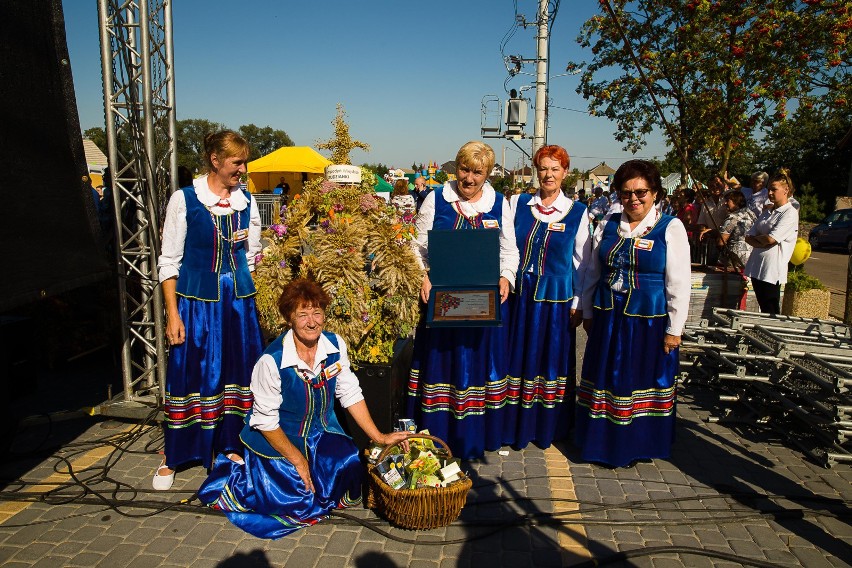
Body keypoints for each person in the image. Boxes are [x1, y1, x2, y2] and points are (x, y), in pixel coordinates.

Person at [198, 279, 408, 539]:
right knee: (298, 496)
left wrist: (379, 436)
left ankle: (314, 475)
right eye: (302, 314)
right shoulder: (271, 361)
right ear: (289, 318)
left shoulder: (334, 345)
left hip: (321, 431)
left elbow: (350, 392)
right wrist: (298, 460)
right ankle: (237, 468)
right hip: (280, 438)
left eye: (317, 313)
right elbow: (266, 422)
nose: (312, 322)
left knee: (350, 463)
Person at [154, 130, 263, 490]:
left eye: (244, 161)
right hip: (197, 304)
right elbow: (169, 262)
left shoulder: (246, 200)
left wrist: (249, 282)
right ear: (215, 160)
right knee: (191, 372)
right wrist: (173, 314)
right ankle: (177, 454)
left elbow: (251, 254)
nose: (243, 170)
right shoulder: (184, 200)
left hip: (237, 305)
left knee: (237, 372)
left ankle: (230, 442)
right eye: (237, 162)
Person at [407, 141, 520, 459]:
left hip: (484, 302)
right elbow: (417, 247)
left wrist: (506, 277)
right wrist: (423, 275)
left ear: (487, 174)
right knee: (443, 365)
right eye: (465, 170)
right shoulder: (435, 199)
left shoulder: (500, 203)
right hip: (443, 300)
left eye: (478, 172)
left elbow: (509, 250)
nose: (469, 178)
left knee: (478, 368)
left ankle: (475, 437)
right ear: (456, 167)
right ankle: (438, 434)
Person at [576, 160, 691, 468]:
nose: (634, 199)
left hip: (648, 322)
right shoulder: (609, 223)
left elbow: (678, 281)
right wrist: (587, 309)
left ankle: (635, 445)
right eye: (626, 193)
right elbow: (592, 269)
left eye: (641, 192)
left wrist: (675, 328)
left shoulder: (671, 226)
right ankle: (600, 443)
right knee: (607, 380)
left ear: (655, 193)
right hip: (609, 317)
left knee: (638, 380)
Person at [507, 145, 591, 449]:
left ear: (565, 173)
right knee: (517, 357)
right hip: (520, 296)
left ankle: (547, 426)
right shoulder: (519, 204)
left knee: (550, 361)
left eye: (555, 169)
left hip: (556, 300)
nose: (548, 175)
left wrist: (579, 302)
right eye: (543, 168)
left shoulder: (578, 213)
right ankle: (515, 423)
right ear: (535, 170)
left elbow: (583, 264)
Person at [744, 168, 799, 315]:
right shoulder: (767, 211)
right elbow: (749, 236)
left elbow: (771, 238)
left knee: (771, 309)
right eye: (769, 189)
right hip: (757, 266)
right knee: (763, 306)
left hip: (771, 268)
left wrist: (763, 239)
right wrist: (761, 240)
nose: (769, 193)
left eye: (774, 190)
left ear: (786, 190)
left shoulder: (789, 213)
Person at [718, 190, 756, 270]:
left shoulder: (733, 217)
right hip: (752, 256)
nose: (725, 203)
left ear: (736, 202)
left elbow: (721, 241)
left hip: (736, 259)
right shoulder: (751, 214)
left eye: (727, 200)